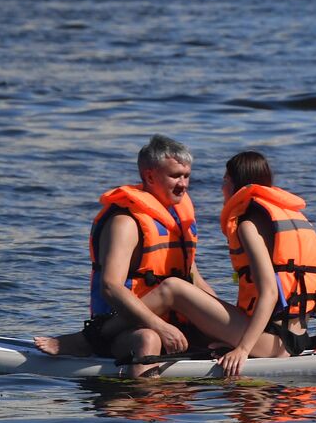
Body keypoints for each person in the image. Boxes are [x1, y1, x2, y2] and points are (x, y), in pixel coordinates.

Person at [79, 150, 316, 378]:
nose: (221, 189)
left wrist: (241, 349)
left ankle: (93, 337)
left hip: (269, 342)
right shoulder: (289, 220)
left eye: (223, 182)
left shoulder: (249, 225)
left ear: (230, 182)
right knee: (190, 309)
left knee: (174, 288)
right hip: (295, 339)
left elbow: (269, 293)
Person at [34, 135, 222, 376]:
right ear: (150, 176)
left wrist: (220, 319)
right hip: (120, 327)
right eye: (175, 176)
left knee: (224, 334)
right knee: (148, 339)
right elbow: (110, 287)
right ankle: (139, 406)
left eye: (186, 176)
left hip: (173, 321)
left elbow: (195, 279)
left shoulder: (177, 220)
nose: (183, 184)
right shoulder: (125, 222)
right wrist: (160, 326)